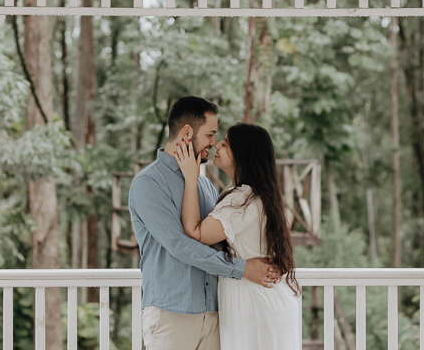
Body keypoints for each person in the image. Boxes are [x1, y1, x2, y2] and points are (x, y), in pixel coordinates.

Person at [129, 97, 280, 350]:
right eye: (210, 134)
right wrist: (243, 269)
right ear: (187, 132)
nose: (214, 142)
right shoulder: (148, 184)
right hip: (172, 315)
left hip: (216, 315)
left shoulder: (204, 185)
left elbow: (220, 241)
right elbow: (179, 245)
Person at [175, 122, 302, 350]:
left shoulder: (243, 199)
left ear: (243, 154)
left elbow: (195, 232)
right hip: (269, 302)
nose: (217, 145)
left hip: (257, 305)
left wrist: (190, 178)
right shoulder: (259, 196)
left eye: (225, 144)